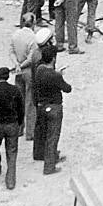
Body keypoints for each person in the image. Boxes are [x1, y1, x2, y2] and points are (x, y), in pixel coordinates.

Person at [32, 44, 71, 174]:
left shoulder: (39, 70)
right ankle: (49, 166)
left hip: (42, 106)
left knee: (43, 133)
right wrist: (60, 75)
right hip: (54, 107)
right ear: (53, 59)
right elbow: (67, 88)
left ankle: (42, 155)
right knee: (53, 136)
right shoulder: (55, 76)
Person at [10, 16, 41, 141]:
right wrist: (22, 65)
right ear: (33, 23)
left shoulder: (15, 35)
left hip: (18, 71)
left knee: (19, 101)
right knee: (30, 102)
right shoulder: (34, 38)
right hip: (28, 71)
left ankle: (18, 129)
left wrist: (16, 64)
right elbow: (31, 58)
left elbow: (11, 51)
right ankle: (30, 132)